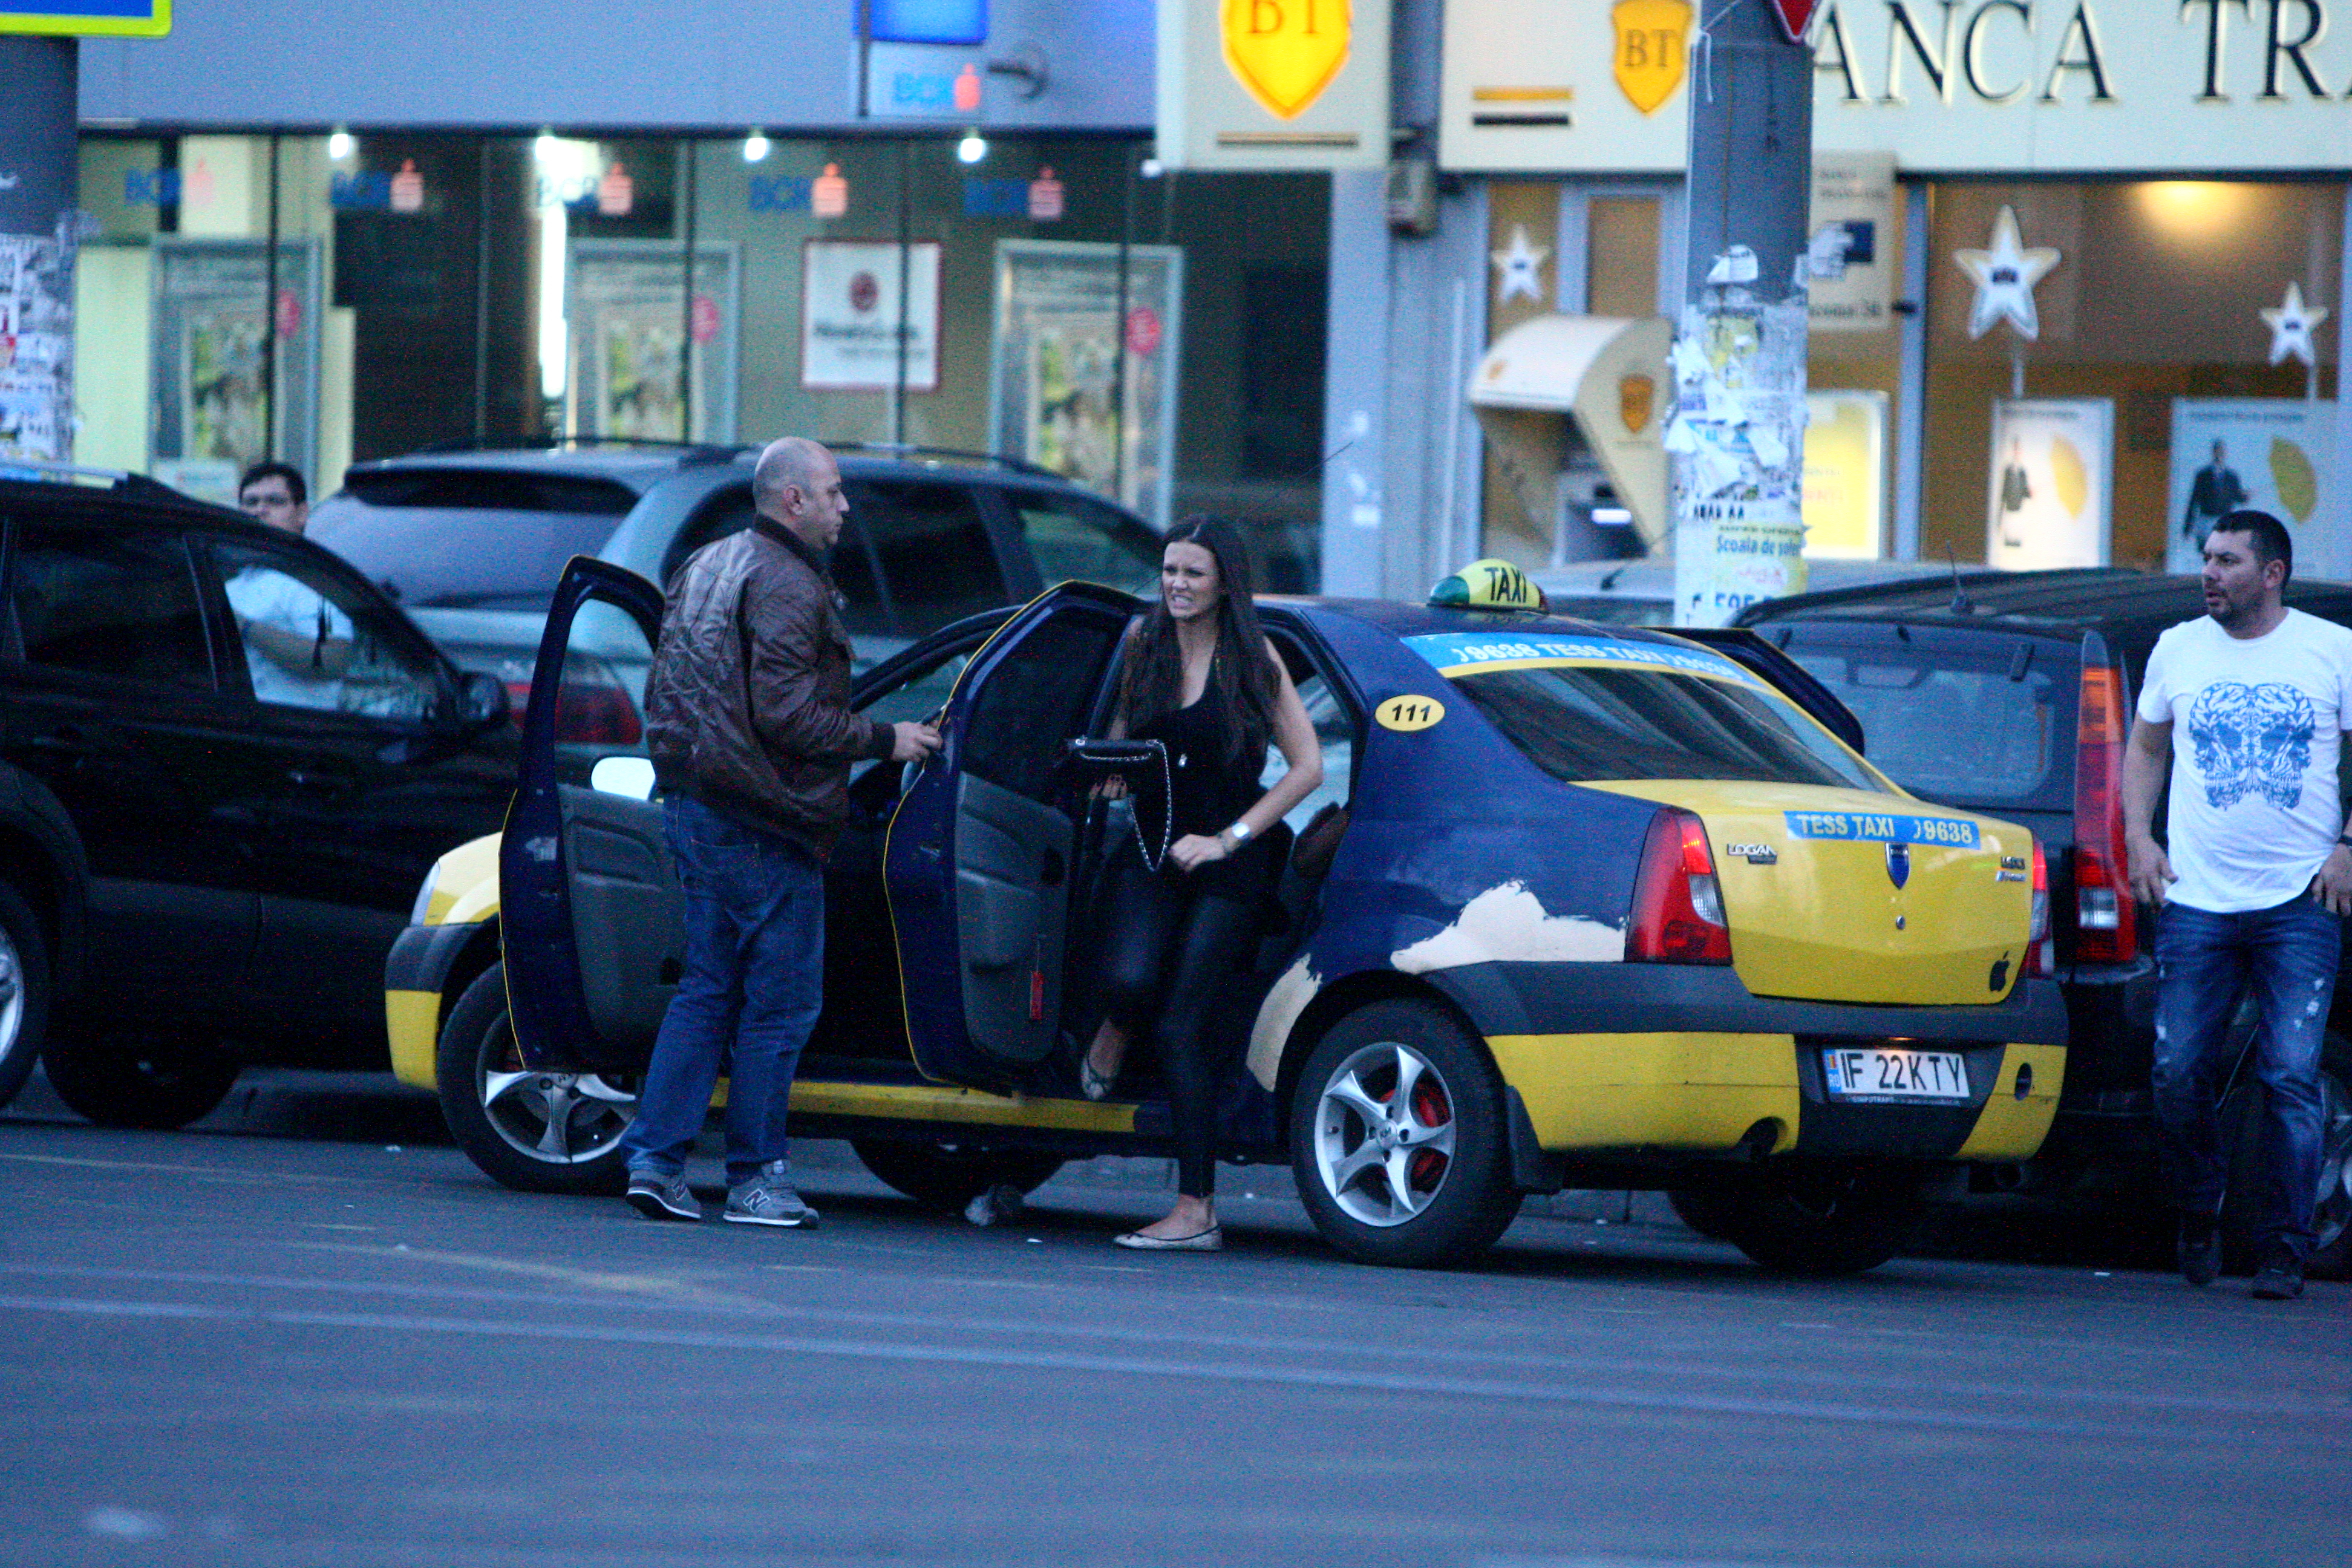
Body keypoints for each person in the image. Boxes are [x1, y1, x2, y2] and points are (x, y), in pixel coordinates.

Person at [620, 437, 939, 1227]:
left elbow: (672, 685)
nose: (844, 505)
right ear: (792, 500)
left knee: (706, 990)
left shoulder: (708, 563)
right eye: (831, 492)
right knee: (781, 1006)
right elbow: (787, 714)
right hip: (764, 820)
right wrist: (885, 739)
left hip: (694, 803)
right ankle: (756, 1178)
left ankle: (655, 1161)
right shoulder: (791, 586)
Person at [2124, 509, 2352, 1301]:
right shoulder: (2178, 648)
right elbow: (2147, 747)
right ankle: (2199, 1207)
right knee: (2176, 1070)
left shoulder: (2332, 650)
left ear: (2272, 572)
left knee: (2292, 1078)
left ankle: (2283, 1248)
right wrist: (2138, 839)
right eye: (2207, 559)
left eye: (2227, 561)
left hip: (2301, 899)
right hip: (2196, 897)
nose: (2209, 573)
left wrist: (2348, 846)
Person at [1078, 518, 1322, 1252]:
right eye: (1169, 571)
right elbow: (1120, 737)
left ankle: (1196, 1208)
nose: (1177, 585)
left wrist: (1228, 838)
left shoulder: (1255, 658)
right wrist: (1109, 777)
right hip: (1152, 847)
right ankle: (1115, 1030)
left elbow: (1308, 767)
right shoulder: (1141, 643)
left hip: (1228, 860)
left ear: (1224, 584)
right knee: (1126, 982)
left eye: (1193, 574)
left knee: (1186, 1023)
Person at [230, 460, 353, 707]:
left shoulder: (314, 580)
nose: (260, 510)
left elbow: (331, 659)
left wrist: (244, 626)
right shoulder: (233, 580)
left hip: (296, 732)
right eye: (251, 502)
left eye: (275, 502)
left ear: (302, 513)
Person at [2182, 439, 2249, 543]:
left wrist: (2245, 497)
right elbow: (2194, 501)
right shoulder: (2203, 476)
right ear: (2213, 453)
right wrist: (2187, 528)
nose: (2219, 454)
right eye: (2217, 451)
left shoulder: (2232, 477)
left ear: (2225, 453)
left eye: (2222, 451)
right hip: (2206, 522)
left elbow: (2238, 497)